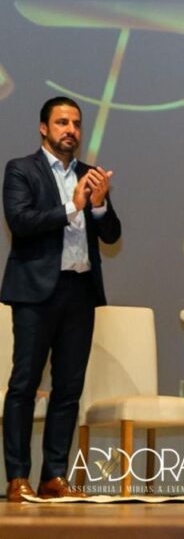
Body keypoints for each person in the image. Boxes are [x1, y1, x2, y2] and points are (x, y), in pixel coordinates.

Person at [2, 96, 122, 502]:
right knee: (24, 385)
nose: (70, 130)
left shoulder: (90, 175)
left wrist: (99, 205)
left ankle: (53, 476)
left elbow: (111, 235)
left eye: (76, 123)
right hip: (36, 292)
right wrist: (73, 206)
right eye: (62, 122)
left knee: (69, 389)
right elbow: (21, 221)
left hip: (79, 291)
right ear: (44, 128)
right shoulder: (21, 169)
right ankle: (17, 476)